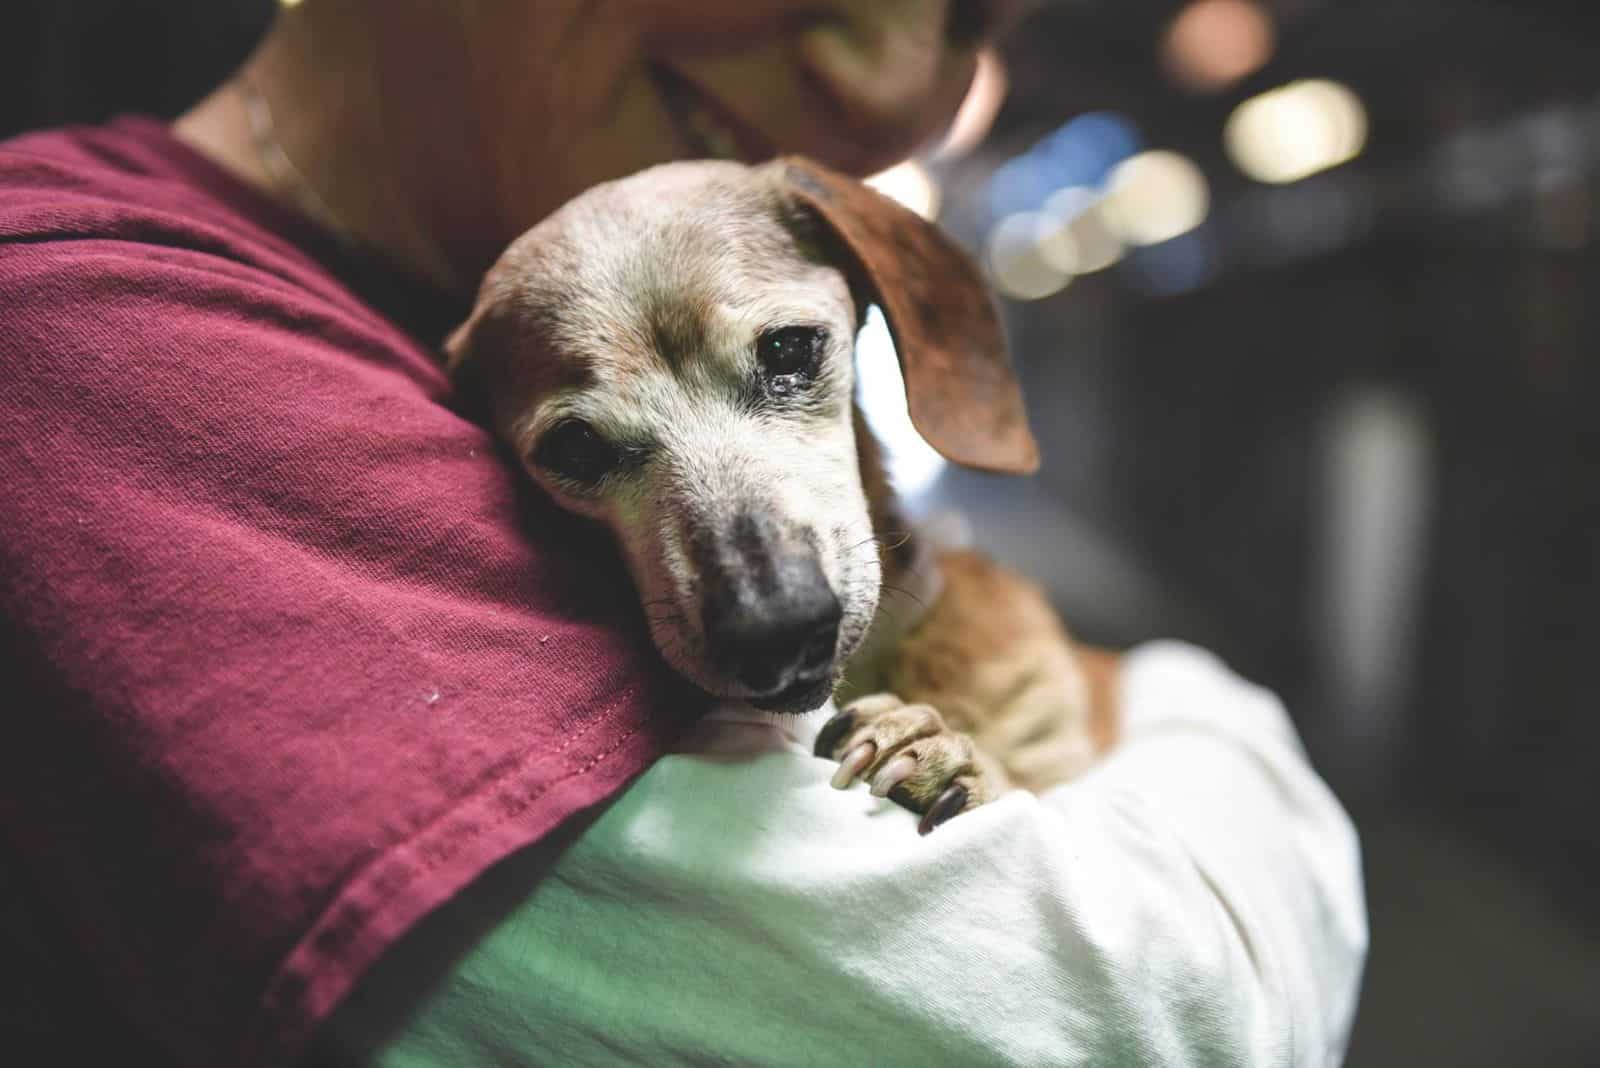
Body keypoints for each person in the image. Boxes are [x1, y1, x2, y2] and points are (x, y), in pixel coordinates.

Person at [0, 2, 1365, 1065]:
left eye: (969, 15)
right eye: (587, 452)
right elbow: (1137, 1022)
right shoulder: (82, 334)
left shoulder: (423, 320)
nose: (894, 79)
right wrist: (1215, 718)